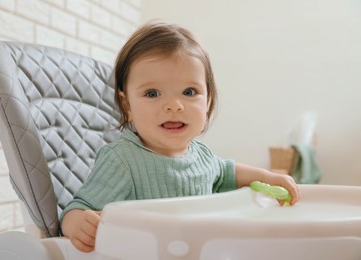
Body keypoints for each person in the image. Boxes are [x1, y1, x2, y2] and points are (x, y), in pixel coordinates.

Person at [60, 21, 300, 253]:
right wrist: (78, 223)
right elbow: (77, 207)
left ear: (207, 101)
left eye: (189, 92)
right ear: (127, 105)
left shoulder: (201, 155)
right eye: (152, 93)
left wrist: (269, 177)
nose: (174, 106)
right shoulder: (122, 160)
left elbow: (228, 172)